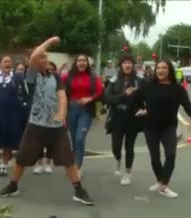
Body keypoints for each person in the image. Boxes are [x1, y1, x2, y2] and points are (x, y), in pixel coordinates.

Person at [0, 36, 95, 206]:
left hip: (56, 127)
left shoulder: (55, 77)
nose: (46, 59)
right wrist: (50, 42)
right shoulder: (31, 76)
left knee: (68, 160)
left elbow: (62, 95)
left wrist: (62, 112)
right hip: (35, 125)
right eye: (43, 57)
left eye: (46, 56)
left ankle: (79, 190)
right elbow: (34, 57)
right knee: (22, 158)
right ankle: (13, 185)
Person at [132, 60, 191, 198]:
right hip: (150, 126)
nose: (161, 70)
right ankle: (160, 181)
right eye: (158, 67)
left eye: (164, 68)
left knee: (170, 154)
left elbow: (188, 107)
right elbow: (136, 99)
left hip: (169, 126)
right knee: (155, 157)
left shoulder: (178, 89)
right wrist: (141, 110)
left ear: (169, 70)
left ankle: (164, 185)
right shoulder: (149, 86)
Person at [103, 54, 145, 185]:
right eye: (125, 63)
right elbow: (108, 99)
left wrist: (144, 108)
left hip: (133, 118)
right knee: (116, 147)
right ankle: (118, 159)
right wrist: (123, 95)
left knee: (129, 146)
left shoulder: (140, 79)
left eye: (130, 63)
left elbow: (149, 95)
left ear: (133, 65)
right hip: (117, 118)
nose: (127, 65)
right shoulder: (114, 80)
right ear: (121, 65)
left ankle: (127, 173)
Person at [63, 55, 104, 176]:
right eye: (79, 60)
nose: (81, 63)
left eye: (84, 61)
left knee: (80, 138)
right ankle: (77, 162)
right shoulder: (67, 76)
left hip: (85, 111)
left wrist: (89, 98)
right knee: (75, 140)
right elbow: (59, 89)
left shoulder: (92, 77)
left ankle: (77, 166)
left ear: (87, 63)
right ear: (75, 63)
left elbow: (100, 91)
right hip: (71, 111)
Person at [33, 61, 57, 175]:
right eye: (49, 69)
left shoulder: (57, 80)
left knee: (50, 141)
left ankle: (48, 163)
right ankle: (38, 163)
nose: (50, 71)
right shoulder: (38, 79)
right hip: (39, 115)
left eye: (53, 69)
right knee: (38, 141)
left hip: (53, 114)